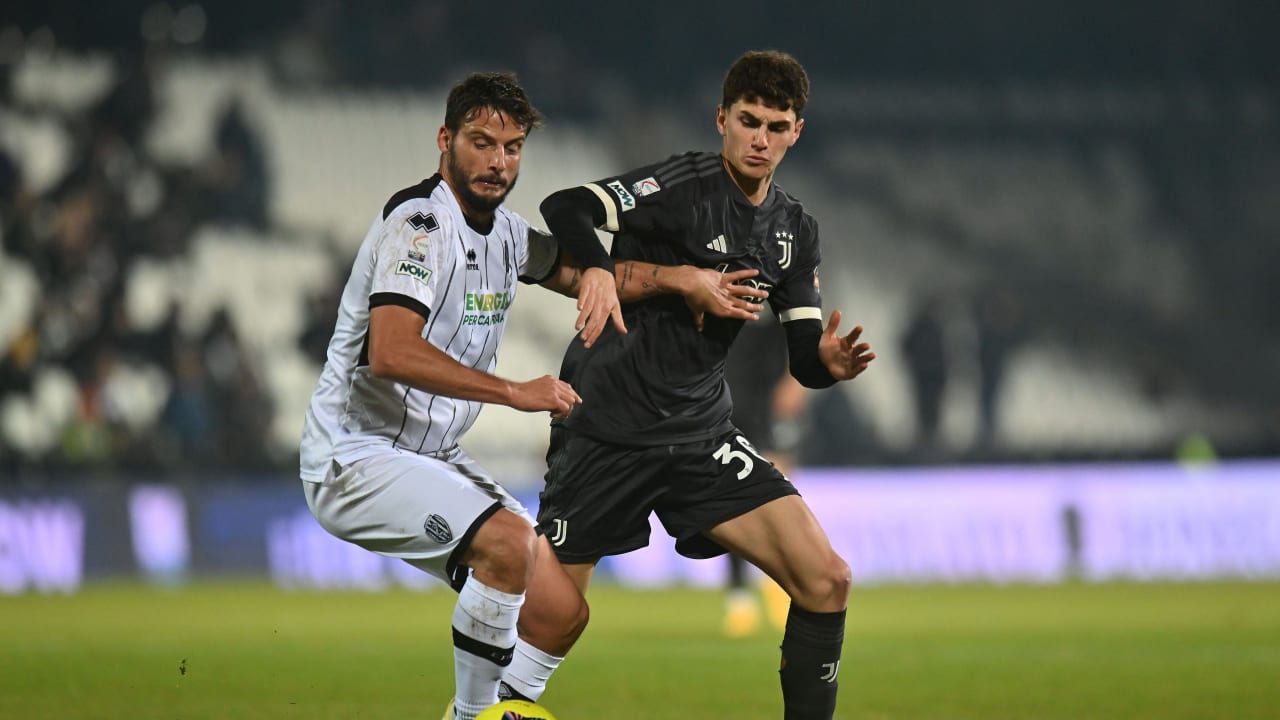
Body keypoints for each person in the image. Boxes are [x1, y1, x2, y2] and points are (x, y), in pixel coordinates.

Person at [298, 72, 768, 720]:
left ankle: (498, 711)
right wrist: (514, 391)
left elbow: (590, 275)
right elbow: (391, 351)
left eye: (512, 147)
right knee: (510, 548)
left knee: (560, 610)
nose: (497, 162)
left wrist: (681, 278)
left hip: (432, 454)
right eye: (481, 142)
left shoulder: (507, 235)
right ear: (445, 140)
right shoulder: (420, 225)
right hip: (355, 453)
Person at [534, 50, 876, 720]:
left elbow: (804, 354)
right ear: (722, 119)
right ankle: (487, 707)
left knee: (827, 579)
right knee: (553, 619)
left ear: (796, 132)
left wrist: (827, 365)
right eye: (748, 121)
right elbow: (566, 205)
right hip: (609, 427)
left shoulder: (793, 231)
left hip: (700, 434)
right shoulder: (680, 187)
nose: (761, 138)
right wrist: (602, 271)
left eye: (777, 126)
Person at [721, 310, 808, 637]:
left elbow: (802, 325)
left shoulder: (782, 275)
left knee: (778, 498)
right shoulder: (722, 275)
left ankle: (780, 585)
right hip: (728, 401)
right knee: (732, 504)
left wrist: (794, 380)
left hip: (771, 405)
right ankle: (739, 593)